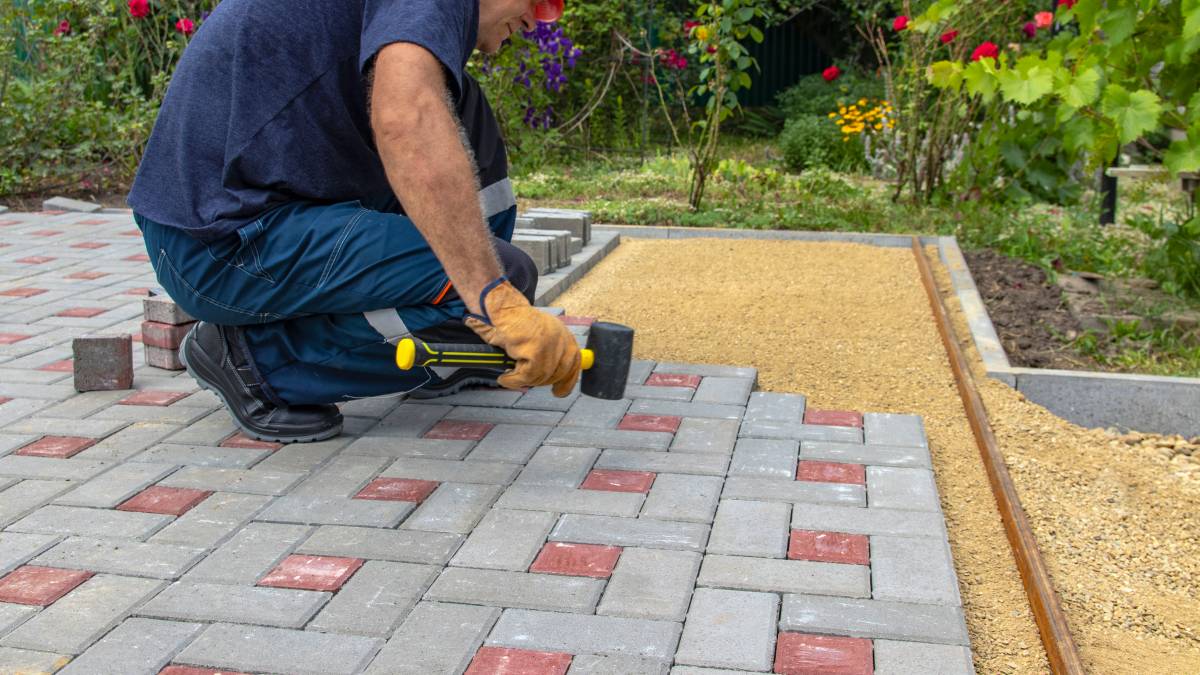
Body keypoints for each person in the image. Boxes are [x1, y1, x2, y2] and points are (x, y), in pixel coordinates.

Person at [127, 0, 580, 444]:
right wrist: (491, 298)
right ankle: (257, 362)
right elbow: (405, 119)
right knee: (501, 280)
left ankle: (465, 341)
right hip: (220, 244)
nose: (542, 17)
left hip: (248, 206)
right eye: (544, 0)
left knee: (461, 103)